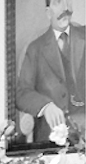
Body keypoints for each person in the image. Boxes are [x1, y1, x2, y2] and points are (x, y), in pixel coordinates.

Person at [16, 0, 85, 143]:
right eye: (58, 2)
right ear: (48, 13)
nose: (65, 8)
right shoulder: (35, 48)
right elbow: (22, 93)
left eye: (68, 2)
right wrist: (46, 106)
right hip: (51, 134)